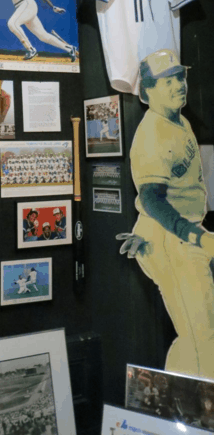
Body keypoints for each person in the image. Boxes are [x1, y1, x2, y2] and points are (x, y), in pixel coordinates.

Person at [117, 49, 214, 379]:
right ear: (147, 92)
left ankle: (183, 411)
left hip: (179, 229)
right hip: (166, 232)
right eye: (167, 81)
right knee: (202, 334)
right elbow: (153, 200)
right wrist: (194, 235)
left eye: (180, 77)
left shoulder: (179, 120)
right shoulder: (152, 135)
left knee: (198, 331)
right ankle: (194, 414)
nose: (179, 86)